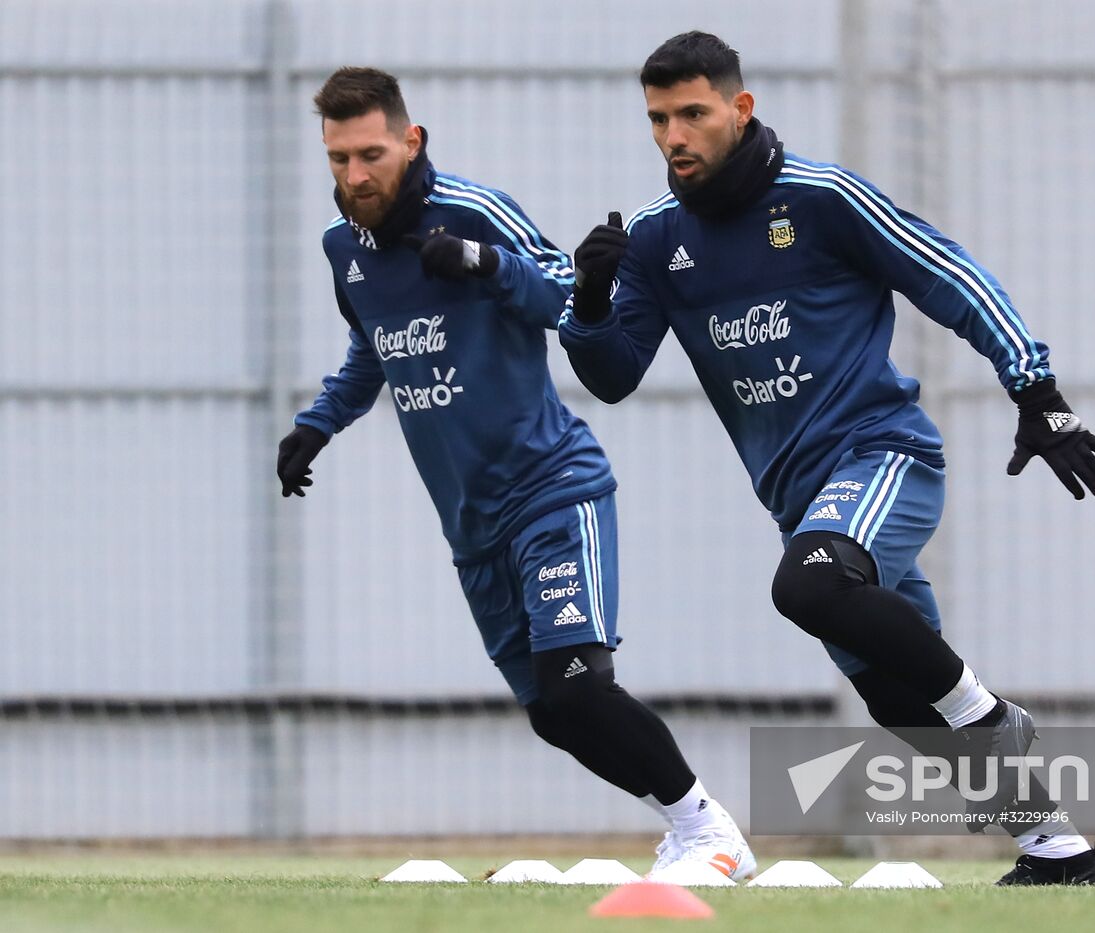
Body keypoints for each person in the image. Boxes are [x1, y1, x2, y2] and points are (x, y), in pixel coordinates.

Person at [558, 33, 1095, 886]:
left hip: (883, 458)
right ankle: (1058, 848)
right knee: (895, 692)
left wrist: (1035, 390)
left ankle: (993, 715)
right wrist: (590, 300)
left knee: (808, 587)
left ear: (739, 111)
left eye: (694, 114)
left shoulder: (820, 199)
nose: (675, 135)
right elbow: (612, 374)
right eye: (659, 118)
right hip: (799, 500)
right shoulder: (652, 237)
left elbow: (951, 275)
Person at [277, 66, 754, 880]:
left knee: (576, 685)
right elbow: (376, 348)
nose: (355, 177)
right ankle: (685, 830)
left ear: (411, 140)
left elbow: (571, 297)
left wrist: (484, 264)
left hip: (552, 491)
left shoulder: (473, 210)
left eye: (370, 154)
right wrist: (316, 424)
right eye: (338, 160)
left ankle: (710, 831)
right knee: (552, 715)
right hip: (471, 523)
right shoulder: (341, 249)